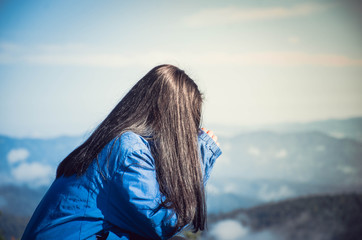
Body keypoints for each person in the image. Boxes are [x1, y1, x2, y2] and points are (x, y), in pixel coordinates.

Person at [22, 64, 222, 240]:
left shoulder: (117, 140)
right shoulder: (128, 150)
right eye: (190, 122)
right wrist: (198, 157)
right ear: (175, 119)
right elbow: (161, 224)